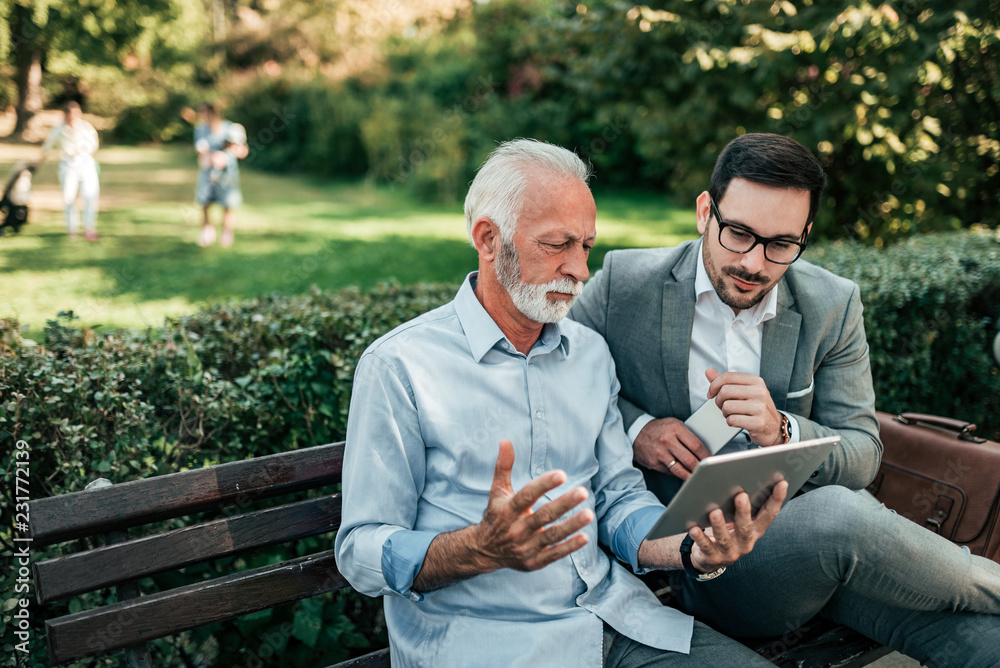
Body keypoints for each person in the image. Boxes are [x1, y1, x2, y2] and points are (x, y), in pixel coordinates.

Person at [335, 139, 793, 667]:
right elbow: (360, 550)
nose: (579, 269)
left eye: (587, 247)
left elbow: (617, 500)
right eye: (557, 245)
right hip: (489, 647)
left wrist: (691, 548)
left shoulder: (590, 355)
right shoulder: (400, 366)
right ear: (489, 239)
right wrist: (478, 548)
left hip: (614, 622)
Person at [569, 132, 1000, 666]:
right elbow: (556, 384)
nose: (754, 263)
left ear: (805, 236)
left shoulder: (832, 304)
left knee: (981, 639)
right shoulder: (624, 283)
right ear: (706, 211)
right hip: (698, 566)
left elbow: (864, 453)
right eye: (739, 234)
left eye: (780, 245)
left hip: (815, 556)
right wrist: (637, 431)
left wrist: (782, 429)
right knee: (840, 515)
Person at [39, 101, 100, 241]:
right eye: (70, 114)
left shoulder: (85, 127)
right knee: (69, 197)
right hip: (68, 164)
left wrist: (84, 150)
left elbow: (94, 144)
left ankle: (88, 228)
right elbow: (47, 146)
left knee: (90, 196)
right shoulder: (58, 129)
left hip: (86, 163)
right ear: (65, 114)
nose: (73, 117)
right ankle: (72, 230)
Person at [192, 103, 248, 247]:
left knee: (228, 204)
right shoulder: (201, 129)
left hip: (228, 174)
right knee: (204, 202)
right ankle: (207, 231)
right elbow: (201, 150)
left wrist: (231, 152)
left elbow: (242, 150)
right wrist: (212, 157)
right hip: (208, 172)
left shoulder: (231, 128)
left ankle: (227, 234)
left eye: (206, 113)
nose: (204, 116)